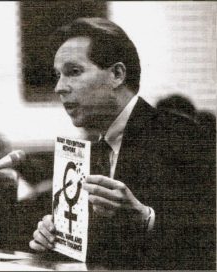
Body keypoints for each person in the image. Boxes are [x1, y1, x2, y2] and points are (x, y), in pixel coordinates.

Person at [27, 17, 215, 269]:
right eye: (58, 75)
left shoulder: (181, 135)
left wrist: (146, 218)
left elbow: (207, 241)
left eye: (73, 72)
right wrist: (55, 241)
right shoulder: (89, 153)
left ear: (117, 74)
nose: (59, 87)